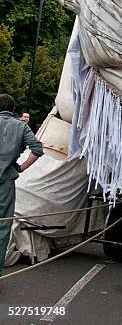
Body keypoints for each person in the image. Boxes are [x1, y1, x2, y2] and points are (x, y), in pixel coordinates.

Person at [0, 94, 44, 277]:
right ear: (13, 109)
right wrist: (21, 167)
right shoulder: (21, 126)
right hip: (6, 180)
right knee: (2, 228)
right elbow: (37, 149)